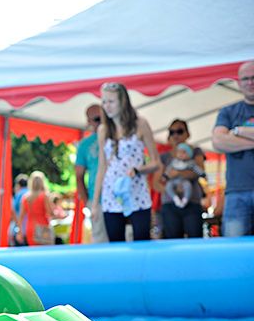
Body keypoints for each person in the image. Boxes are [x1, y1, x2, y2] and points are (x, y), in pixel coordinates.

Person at [92, 82, 161, 242]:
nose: (106, 106)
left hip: (136, 192)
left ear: (122, 102)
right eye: (104, 102)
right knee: (116, 244)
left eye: (111, 101)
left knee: (142, 241)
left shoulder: (140, 124)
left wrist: (138, 170)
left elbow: (156, 162)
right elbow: (102, 167)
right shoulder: (103, 130)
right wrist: (95, 204)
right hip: (112, 194)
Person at [212, 61, 254, 237]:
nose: (250, 82)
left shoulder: (231, 117)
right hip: (236, 193)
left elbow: (226, 139)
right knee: (234, 249)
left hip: (236, 194)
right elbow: (218, 142)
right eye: (245, 78)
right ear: (239, 82)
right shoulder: (228, 111)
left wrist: (239, 132)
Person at [157, 119, 206, 239]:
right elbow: (157, 182)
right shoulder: (164, 156)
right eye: (172, 132)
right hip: (170, 205)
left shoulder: (195, 151)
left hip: (192, 202)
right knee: (172, 241)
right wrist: (172, 191)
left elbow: (199, 171)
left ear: (187, 134)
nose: (175, 135)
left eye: (179, 131)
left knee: (195, 241)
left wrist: (177, 174)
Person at [75, 104, 108, 243]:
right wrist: (87, 202)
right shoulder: (85, 145)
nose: (101, 122)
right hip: (98, 200)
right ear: (89, 122)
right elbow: (79, 176)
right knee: (101, 240)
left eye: (102, 118)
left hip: (120, 198)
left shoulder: (117, 136)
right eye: (96, 119)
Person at [17, 171, 55, 246]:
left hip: (30, 228)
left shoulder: (26, 197)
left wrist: (20, 232)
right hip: (43, 227)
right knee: (45, 253)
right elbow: (50, 213)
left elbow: (21, 217)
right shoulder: (44, 196)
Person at [163, 143, 200, 208]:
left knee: (188, 186)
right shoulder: (174, 162)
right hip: (174, 181)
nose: (181, 154)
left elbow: (197, 170)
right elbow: (168, 171)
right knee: (168, 186)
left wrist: (179, 173)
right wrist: (166, 175)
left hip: (184, 181)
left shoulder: (191, 163)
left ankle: (185, 200)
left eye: (184, 152)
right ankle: (175, 198)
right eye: (179, 152)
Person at [9, 173, 29, 246]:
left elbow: (13, 210)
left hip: (20, 228)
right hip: (30, 228)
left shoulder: (18, 195)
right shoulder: (30, 194)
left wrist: (17, 225)